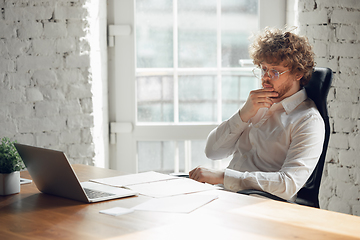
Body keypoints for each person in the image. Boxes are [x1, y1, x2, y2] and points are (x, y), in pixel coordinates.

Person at [189, 28, 325, 201]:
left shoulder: (308, 120)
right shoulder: (256, 104)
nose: (265, 78)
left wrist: (223, 177)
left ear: (298, 73)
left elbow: (288, 184)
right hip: (225, 196)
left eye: (274, 72)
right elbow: (212, 152)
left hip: (261, 206)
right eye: (263, 69)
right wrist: (244, 114)